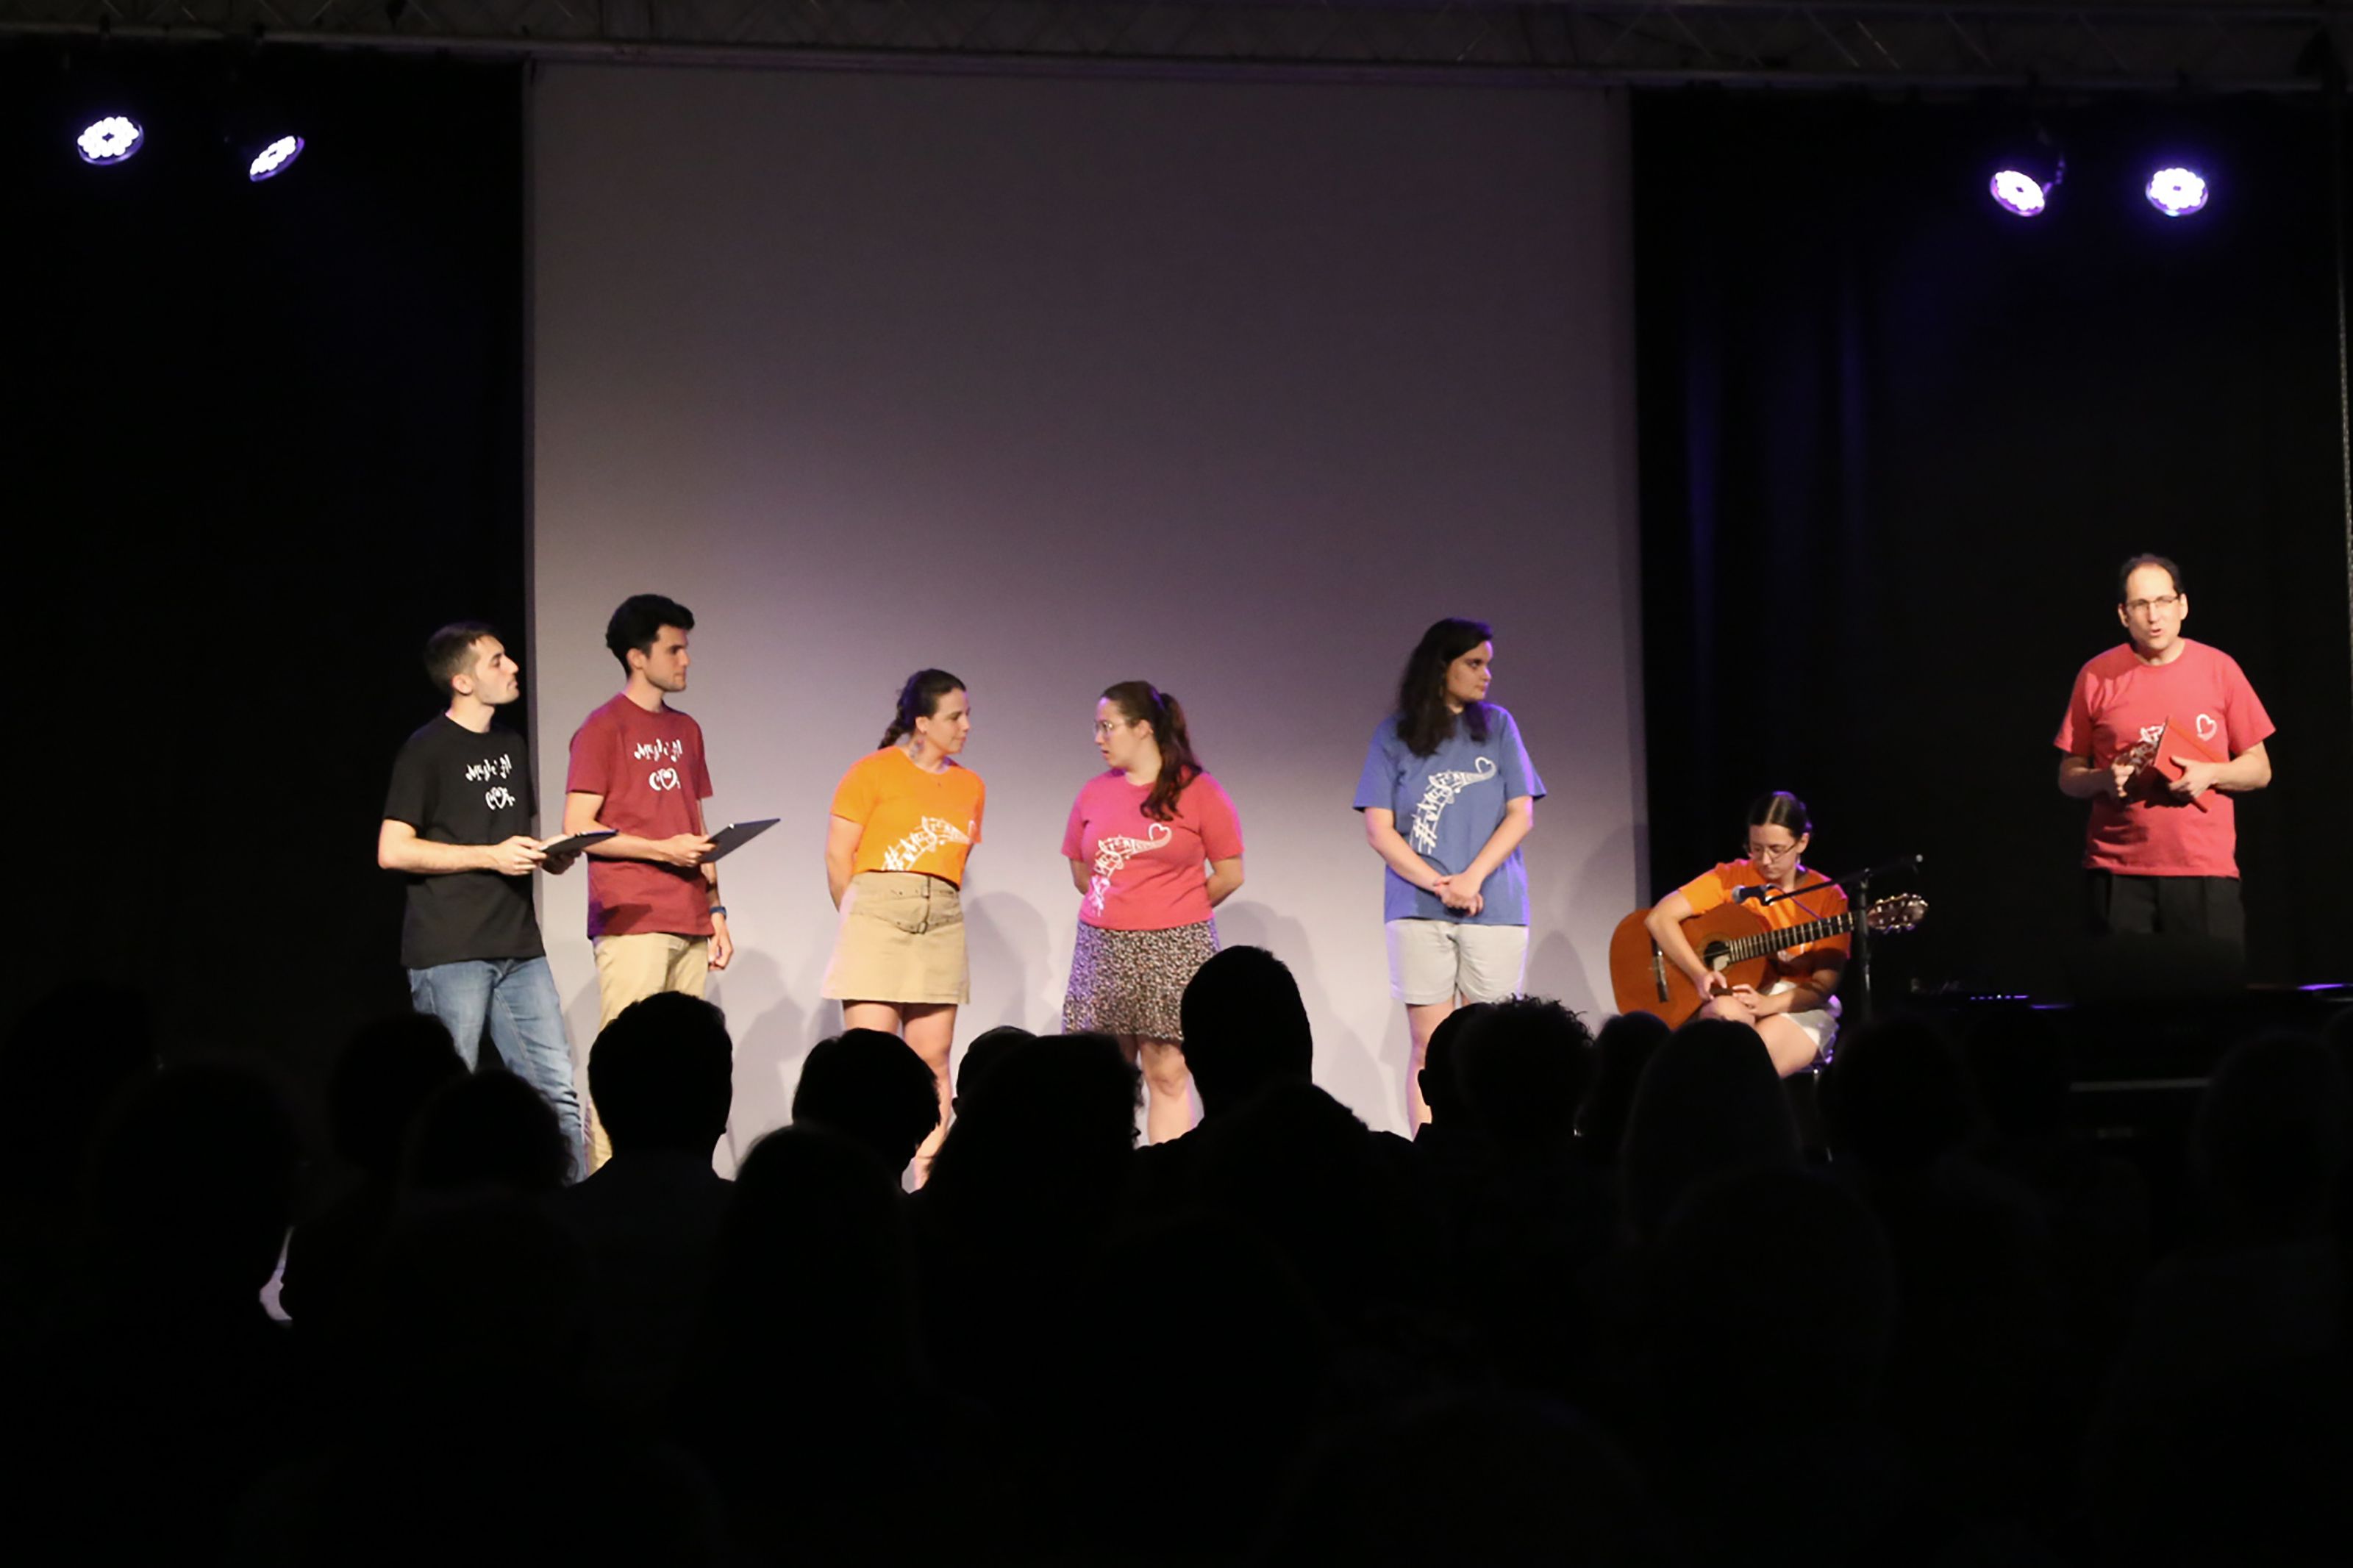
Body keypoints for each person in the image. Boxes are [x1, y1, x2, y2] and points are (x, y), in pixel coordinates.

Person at [379, 623, 587, 1170]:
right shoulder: (425, 750)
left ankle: (571, 1222)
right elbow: (393, 849)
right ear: (462, 681)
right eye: (497, 661)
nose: (513, 666)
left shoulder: (511, 744)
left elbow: (503, 836)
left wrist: (549, 853)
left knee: (557, 1095)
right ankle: (434, 1222)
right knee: (445, 1100)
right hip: (450, 950)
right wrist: (490, 855)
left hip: (519, 945)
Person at [563, 594, 733, 1171]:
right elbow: (578, 829)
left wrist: (716, 909)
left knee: (685, 1064)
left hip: (689, 916)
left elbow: (698, 826)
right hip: (632, 914)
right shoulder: (602, 727)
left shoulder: (688, 729)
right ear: (638, 657)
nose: (686, 660)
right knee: (627, 1063)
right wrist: (661, 850)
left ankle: (679, 1182)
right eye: (675, 648)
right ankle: (610, 1185)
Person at [1354, 617, 1545, 1125]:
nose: (1486, 676)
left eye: (1488, 665)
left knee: (1496, 1046)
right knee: (1429, 1046)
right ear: (1442, 667)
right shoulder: (1394, 734)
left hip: (1495, 905)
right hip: (1418, 910)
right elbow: (1380, 828)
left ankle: (1496, 1158)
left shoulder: (1499, 726)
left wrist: (1471, 879)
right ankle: (1429, 1160)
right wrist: (1438, 883)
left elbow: (1520, 813)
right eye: (1474, 664)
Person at [2055, 554, 2274, 951]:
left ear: (2183, 606)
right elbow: (2068, 775)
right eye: (2141, 605)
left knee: (2209, 1003)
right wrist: (2103, 779)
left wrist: (2211, 774)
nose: (2154, 616)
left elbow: (2260, 770)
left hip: (2203, 872)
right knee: (2122, 1005)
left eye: (2164, 602)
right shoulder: (2096, 676)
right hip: (2117, 874)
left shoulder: (2219, 669)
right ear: (2124, 615)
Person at [1061, 681, 1245, 1143]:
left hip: (1175, 946)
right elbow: (1082, 872)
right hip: (1104, 947)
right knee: (1105, 1076)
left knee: (1167, 1073)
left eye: (1108, 727)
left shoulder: (1198, 790)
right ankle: (1109, 1184)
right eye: (1097, 728)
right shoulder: (1093, 793)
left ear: (1143, 728)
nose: (1099, 738)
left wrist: (1173, 907)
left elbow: (1229, 873)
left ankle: (1166, 1183)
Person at [822, 669, 985, 1181]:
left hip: (940, 918)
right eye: (955, 716)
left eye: (967, 714)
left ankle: (929, 1188)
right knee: (869, 1062)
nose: (966, 725)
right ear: (922, 722)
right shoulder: (871, 772)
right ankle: (866, 1183)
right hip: (877, 912)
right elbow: (837, 855)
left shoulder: (970, 786)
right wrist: (860, 916)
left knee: (933, 1061)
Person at [1643, 791, 1847, 1077]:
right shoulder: (1732, 877)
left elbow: (1824, 984)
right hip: (1742, 990)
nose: (1764, 860)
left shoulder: (1828, 896)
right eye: (1755, 848)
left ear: (1802, 842)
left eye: (1776, 849)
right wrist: (1699, 973)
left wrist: (1768, 1004)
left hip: (1800, 1003)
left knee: (1748, 1064)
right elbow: (1660, 917)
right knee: (1722, 1021)